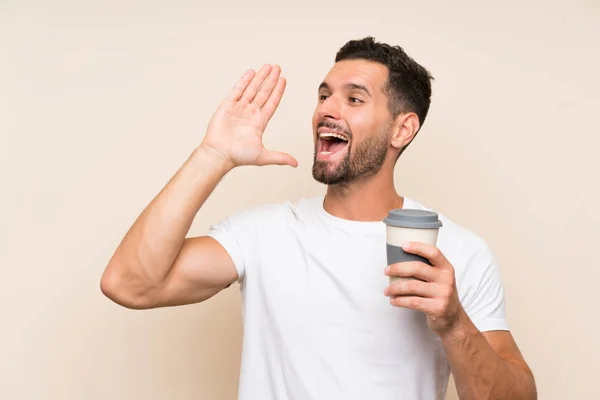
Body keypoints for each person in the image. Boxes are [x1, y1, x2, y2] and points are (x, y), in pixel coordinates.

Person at [101, 37, 537, 399]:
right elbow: (130, 283)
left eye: (354, 99)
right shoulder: (262, 234)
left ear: (402, 130)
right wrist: (213, 155)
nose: (328, 109)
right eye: (324, 95)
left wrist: (454, 324)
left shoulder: (457, 250)